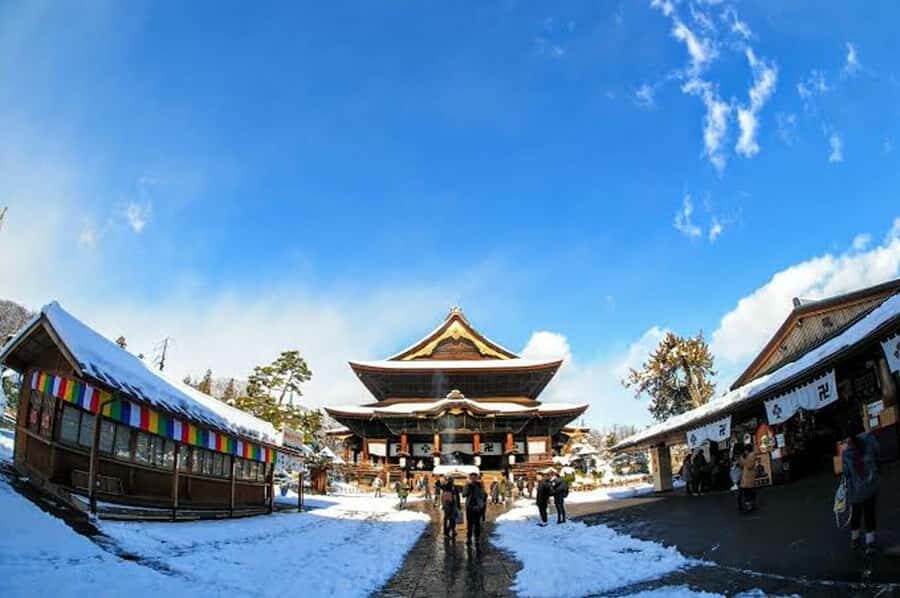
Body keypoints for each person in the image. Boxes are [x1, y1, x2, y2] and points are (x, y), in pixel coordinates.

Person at [842, 420, 880, 552]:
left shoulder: (846, 450)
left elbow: (846, 473)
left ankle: (855, 539)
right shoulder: (870, 439)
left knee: (856, 513)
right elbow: (877, 453)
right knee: (870, 512)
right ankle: (870, 542)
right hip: (870, 483)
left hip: (855, 488)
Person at [462, 472, 487, 546]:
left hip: (477, 507)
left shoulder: (479, 485)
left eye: (474, 477)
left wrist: (479, 487)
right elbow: (464, 494)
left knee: (477, 524)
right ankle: (469, 538)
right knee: (469, 524)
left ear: (476, 478)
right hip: (469, 507)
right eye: (471, 477)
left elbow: (483, 495)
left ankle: (477, 538)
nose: (473, 479)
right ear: (470, 478)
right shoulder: (467, 485)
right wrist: (467, 486)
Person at [737, 445, 757, 514]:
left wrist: (742, 459)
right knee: (746, 493)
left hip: (748, 479)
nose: (745, 452)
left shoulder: (751, 455)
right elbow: (742, 465)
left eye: (745, 450)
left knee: (746, 493)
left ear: (747, 450)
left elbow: (749, 465)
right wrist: (740, 459)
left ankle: (749, 507)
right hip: (745, 478)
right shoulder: (748, 456)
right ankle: (746, 505)